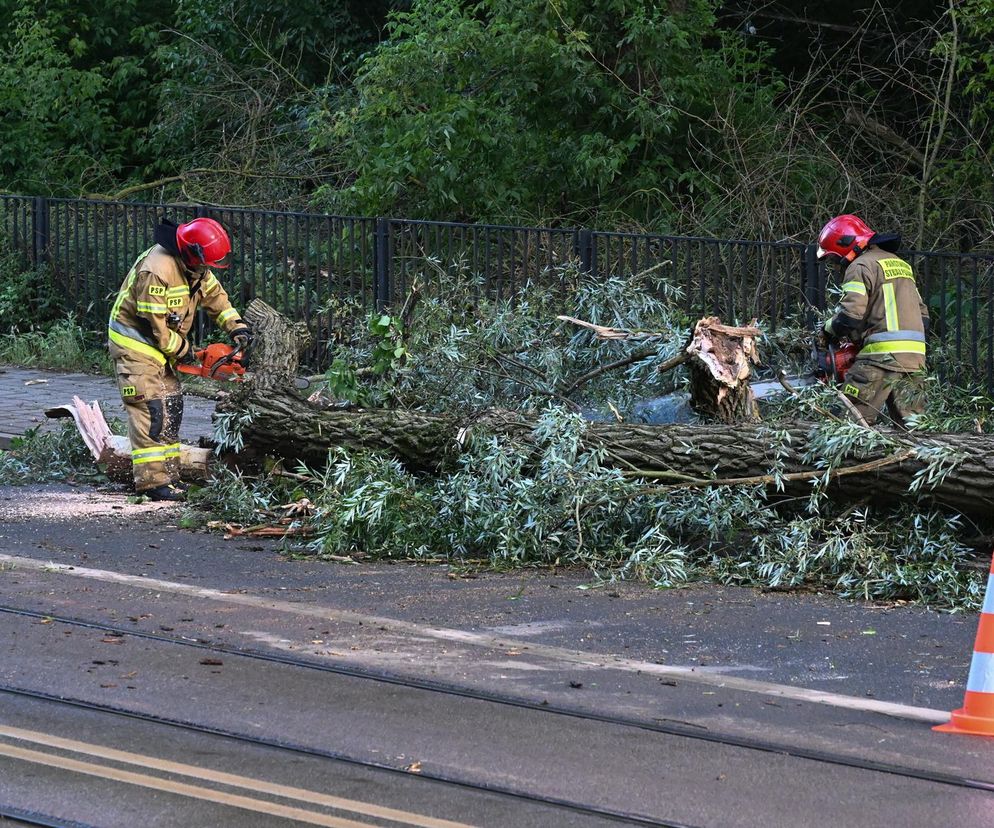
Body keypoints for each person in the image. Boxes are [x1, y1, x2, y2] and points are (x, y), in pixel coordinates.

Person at [108, 217, 251, 501]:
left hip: (160, 349)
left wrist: (237, 327)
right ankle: (152, 484)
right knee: (151, 410)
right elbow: (158, 330)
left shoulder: (195, 268)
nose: (207, 268)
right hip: (135, 345)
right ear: (191, 252)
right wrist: (186, 350)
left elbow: (215, 298)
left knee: (171, 408)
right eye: (205, 262)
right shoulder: (156, 271)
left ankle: (170, 477)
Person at [816, 214, 929, 427]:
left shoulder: (860, 266)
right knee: (915, 431)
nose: (835, 263)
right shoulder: (901, 265)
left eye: (833, 257)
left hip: (879, 360)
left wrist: (828, 329)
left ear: (844, 244)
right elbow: (923, 317)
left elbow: (850, 316)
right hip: (914, 361)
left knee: (849, 426)